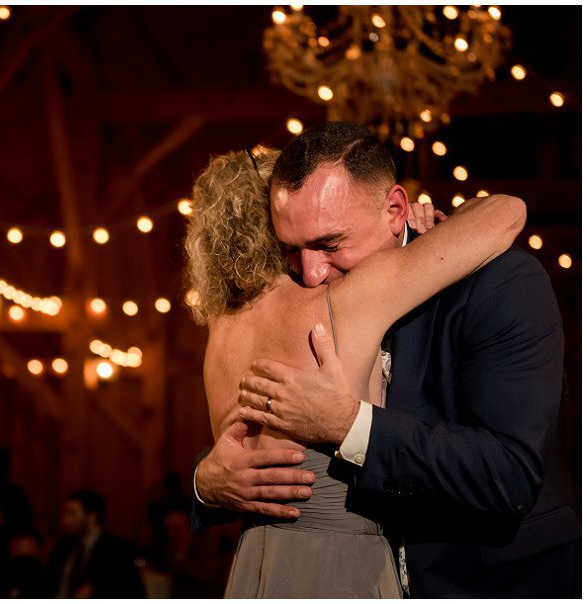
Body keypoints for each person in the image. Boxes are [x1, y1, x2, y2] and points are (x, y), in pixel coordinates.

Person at [193, 123, 579, 597]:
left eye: (330, 244)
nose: (311, 273)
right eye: (290, 249)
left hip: (479, 578)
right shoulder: (299, 301)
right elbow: (263, 450)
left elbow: (508, 474)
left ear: (395, 209)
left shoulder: (498, 282)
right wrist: (204, 481)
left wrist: (349, 424)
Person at [47, 489, 146, 598]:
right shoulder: (63, 545)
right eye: (64, 514)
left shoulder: (115, 548)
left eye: (71, 514)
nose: (65, 520)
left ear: (92, 516)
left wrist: (96, 589)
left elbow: (130, 590)